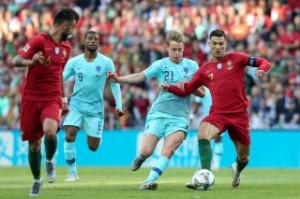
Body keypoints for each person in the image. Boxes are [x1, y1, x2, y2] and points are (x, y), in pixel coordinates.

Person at [160, 29, 271, 189]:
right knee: (203, 134)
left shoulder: (237, 59)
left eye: (220, 44)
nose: (217, 47)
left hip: (239, 116)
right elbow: (187, 89)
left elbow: (263, 61)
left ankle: (237, 171)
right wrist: (169, 88)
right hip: (218, 115)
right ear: (209, 45)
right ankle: (205, 175)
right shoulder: (205, 69)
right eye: (214, 44)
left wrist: (262, 70)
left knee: (244, 157)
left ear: (226, 44)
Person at [107, 30, 205, 190]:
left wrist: (187, 86)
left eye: (180, 49)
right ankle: (141, 157)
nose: (177, 53)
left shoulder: (192, 66)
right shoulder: (161, 64)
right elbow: (140, 76)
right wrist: (119, 79)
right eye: (174, 49)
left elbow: (202, 92)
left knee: (169, 150)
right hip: (159, 113)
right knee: (146, 151)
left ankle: (149, 181)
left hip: (180, 117)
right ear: (167, 48)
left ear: (183, 48)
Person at [11, 8, 80, 196]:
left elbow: (59, 75)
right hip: (31, 98)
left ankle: (49, 161)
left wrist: (64, 99)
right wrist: (31, 62)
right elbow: (16, 60)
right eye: (73, 26)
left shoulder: (66, 48)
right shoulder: (39, 40)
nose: (73, 31)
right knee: (34, 146)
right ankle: (36, 180)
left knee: (50, 132)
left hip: (52, 98)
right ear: (65, 24)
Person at [62, 30, 124, 182]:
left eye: (96, 39)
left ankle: (97, 135)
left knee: (93, 147)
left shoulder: (106, 62)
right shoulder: (75, 62)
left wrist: (119, 105)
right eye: (90, 38)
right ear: (84, 41)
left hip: (95, 109)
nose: (93, 41)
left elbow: (114, 83)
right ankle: (72, 173)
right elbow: (60, 79)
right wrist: (59, 98)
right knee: (69, 134)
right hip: (76, 105)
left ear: (99, 42)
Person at [191, 87, 223, 171]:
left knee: (218, 138)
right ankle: (209, 162)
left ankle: (216, 163)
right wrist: (192, 115)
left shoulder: (222, 86)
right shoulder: (204, 88)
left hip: (220, 117)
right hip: (207, 119)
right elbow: (198, 102)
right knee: (206, 140)